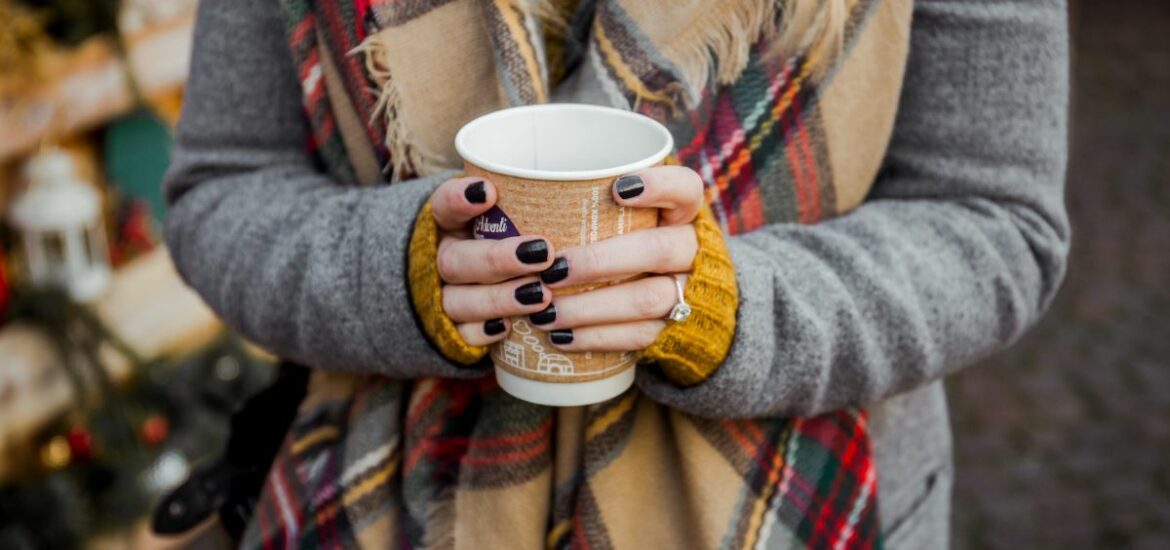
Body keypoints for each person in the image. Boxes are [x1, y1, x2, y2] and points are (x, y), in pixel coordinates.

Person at [163, 0, 1069, 547]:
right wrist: (397, 274)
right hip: (380, 509)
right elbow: (222, 188)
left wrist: (731, 311)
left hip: (801, 509)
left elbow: (995, 218)